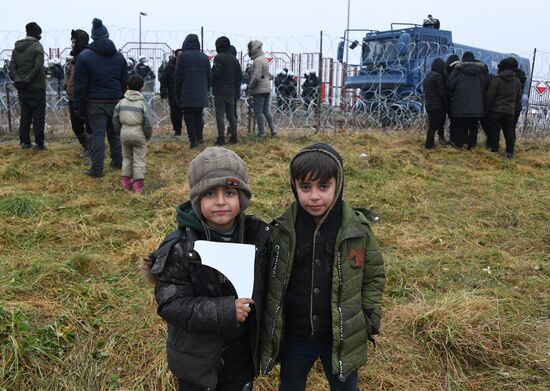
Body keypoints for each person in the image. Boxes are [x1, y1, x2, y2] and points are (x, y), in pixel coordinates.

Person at [260, 143, 385, 391]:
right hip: (296, 334)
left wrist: (368, 317)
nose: (314, 196)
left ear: (338, 185)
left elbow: (373, 276)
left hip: (340, 336)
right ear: (294, 187)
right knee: (291, 384)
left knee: (345, 386)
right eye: (305, 187)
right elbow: (270, 278)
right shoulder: (282, 231)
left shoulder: (356, 231)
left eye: (323, 187)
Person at [146, 146, 271, 391]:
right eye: (210, 193)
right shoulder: (181, 247)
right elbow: (171, 303)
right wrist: (224, 311)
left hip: (241, 356)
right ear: (196, 200)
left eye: (230, 192)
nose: (221, 202)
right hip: (197, 359)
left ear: (242, 197)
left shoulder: (258, 237)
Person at [74, 18, 127, 178]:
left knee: (97, 135)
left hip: (95, 102)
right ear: (107, 36)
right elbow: (124, 81)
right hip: (115, 100)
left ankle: (97, 169)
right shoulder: (119, 57)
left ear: (93, 38)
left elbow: (80, 85)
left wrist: (78, 105)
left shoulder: (84, 57)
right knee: (114, 134)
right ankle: (118, 162)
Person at [113, 74, 154, 193]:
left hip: (124, 132)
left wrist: (119, 132)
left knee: (126, 157)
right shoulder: (142, 104)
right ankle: (138, 185)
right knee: (139, 159)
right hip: (138, 133)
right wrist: (147, 135)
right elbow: (148, 123)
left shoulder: (121, 102)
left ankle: (125, 182)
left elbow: (115, 119)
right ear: (142, 88)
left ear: (127, 87)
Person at [9, 22, 47, 150]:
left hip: (22, 88)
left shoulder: (17, 48)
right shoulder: (37, 47)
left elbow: (12, 66)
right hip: (37, 87)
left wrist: (19, 79)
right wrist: (28, 79)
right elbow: (38, 67)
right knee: (38, 116)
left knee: (25, 115)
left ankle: (25, 142)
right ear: (38, 34)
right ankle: (39, 143)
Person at [446, 51, 489, 149]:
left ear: (463, 59)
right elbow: (486, 86)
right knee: (473, 127)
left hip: (460, 105)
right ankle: (472, 146)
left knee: (460, 126)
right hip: (477, 106)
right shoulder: (481, 72)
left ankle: (459, 144)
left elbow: (449, 86)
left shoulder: (457, 71)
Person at [175, 34, 212, 148]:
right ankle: (199, 137)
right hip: (201, 92)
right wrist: (206, 89)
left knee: (189, 117)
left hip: (187, 92)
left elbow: (178, 77)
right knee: (198, 116)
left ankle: (193, 140)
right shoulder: (204, 57)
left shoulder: (182, 56)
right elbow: (209, 76)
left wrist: (177, 93)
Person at [486, 58, 522, 158]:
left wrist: (488, 109)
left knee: (495, 131)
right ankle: (510, 152)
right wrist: (514, 110)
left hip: (496, 110)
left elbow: (490, 96)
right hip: (509, 111)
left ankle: (494, 149)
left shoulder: (497, 80)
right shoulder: (517, 81)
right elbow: (518, 97)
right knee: (509, 132)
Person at [212, 36, 243, 145]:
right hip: (231, 92)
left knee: (220, 115)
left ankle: (221, 138)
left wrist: (212, 82)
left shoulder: (218, 58)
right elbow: (240, 75)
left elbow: (215, 74)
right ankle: (234, 137)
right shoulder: (234, 59)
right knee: (231, 115)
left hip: (220, 91)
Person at [64, 29, 90, 156]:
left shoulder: (87, 57)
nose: (72, 44)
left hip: (85, 98)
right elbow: (68, 76)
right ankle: (86, 146)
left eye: (74, 42)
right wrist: (66, 86)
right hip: (73, 97)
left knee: (89, 125)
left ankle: (92, 149)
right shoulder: (72, 58)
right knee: (76, 125)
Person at [247, 40, 276, 137]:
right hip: (266, 88)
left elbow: (256, 77)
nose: (248, 51)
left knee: (258, 112)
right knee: (266, 111)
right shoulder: (264, 58)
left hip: (259, 90)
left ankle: (261, 133)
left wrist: (250, 86)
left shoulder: (257, 61)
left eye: (249, 48)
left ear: (253, 49)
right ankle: (273, 131)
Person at [423, 58, 448, 148]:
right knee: (433, 127)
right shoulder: (437, 76)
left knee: (432, 126)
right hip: (437, 105)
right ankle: (429, 145)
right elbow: (441, 92)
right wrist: (446, 102)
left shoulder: (428, 75)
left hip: (429, 104)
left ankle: (430, 144)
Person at [160, 49, 183, 137]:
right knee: (174, 113)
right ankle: (177, 130)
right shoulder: (169, 67)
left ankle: (189, 131)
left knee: (186, 113)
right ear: (176, 56)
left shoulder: (185, 66)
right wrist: (163, 91)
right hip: (173, 93)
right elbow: (163, 80)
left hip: (184, 93)